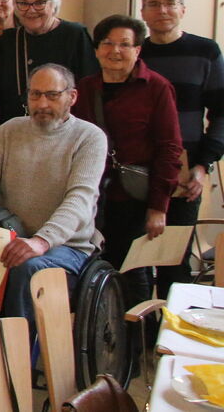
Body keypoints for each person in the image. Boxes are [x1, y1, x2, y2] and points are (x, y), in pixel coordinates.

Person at [0, 64, 107, 333]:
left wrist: (41, 241)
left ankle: (18, 365)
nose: (42, 103)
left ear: (72, 97)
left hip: (67, 247)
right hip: (10, 238)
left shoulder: (90, 138)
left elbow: (80, 199)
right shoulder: (9, 130)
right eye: (35, 95)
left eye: (51, 95)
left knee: (27, 268)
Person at [72, 15, 181, 310]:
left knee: (135, 274)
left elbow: (169, 148)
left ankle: (138, 343)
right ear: (97, 49)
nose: (115, 51)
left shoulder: (157, 87)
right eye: (108, 43)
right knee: (95, 270)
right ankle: (102, 341)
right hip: (93, 197)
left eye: (124, 44)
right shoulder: (85, 88)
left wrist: (159, 207)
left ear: (137, 50)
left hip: (134, 197)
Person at [140, 0, 224, 296]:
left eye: (170, 3)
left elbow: (221, 114)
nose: (163, 10)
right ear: (143, 13)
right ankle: (138, 333)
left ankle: (171, 337)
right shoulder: (135, 53)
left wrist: (203, 167)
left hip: (185, 172)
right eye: (154, 4)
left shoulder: (206, 52)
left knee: (174, 261)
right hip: (137, 168)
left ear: (183, 9)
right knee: (135, 259)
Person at [0, 0, 97, 126]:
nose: (31, 10)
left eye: (40, 3)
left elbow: (88, 90)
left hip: (63, 129)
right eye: (23, 3)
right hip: (18, 129)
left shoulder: (75, 35)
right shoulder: (8, 40)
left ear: (53, 4)